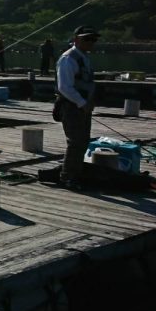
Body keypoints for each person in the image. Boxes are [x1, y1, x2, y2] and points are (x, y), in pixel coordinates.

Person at [56, 26, 99, 189]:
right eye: (87, 38)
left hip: (83, 106)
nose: (91, 42)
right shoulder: (68, 58)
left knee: (83, 141)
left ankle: (76, 174)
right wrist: (82, 103)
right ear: (76, 39)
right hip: (71, 106)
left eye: (93, 39)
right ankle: (67, 177)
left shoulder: (84, 58)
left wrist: (89, 101)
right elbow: (64, 87)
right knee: (75, 142)